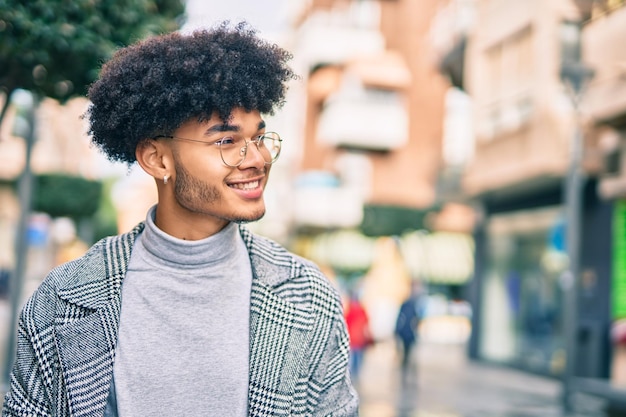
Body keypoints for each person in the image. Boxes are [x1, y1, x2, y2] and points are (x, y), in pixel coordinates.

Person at [2, 22, 358, 417]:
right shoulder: (62, 298)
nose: (257, 159)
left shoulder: (308, 297)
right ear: (157, 159)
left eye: (258, 137)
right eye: (226, 141)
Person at [394, 282, 425, 374]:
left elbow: (417, 319)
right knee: (405, 353)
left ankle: (406, 369)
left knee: (408, 354)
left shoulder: (416, 304)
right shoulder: (408, 304)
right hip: (405, 333)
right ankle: (405, 369)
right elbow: (400, 318)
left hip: (410, 334)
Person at [344, 291, 372, 381]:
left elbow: (346, 322)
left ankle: (352, 374)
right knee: (358, 357)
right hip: (359, 337)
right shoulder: (361, 309)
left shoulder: (351, 309)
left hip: (352, 337)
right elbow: (366, 322)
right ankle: (356, 373)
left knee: (352, 358)